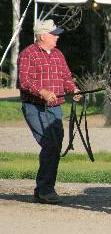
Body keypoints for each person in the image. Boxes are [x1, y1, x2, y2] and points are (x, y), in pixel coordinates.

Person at [17, 19, 81, 204]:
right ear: (42, 36)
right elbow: (25, 81)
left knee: (55, 145)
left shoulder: (58, 54)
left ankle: (42, 189)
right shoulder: (28, 54)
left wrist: (73, 90)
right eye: (54, 34)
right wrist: (42, 92)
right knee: (50, 144)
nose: (57, 37)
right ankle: (46, 189)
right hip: (34, 107)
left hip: (55, 108)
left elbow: (66, 77)